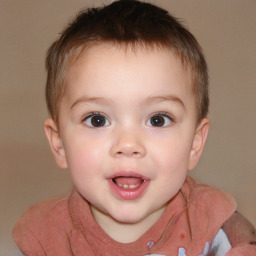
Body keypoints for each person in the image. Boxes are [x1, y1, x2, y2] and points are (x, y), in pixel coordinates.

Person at [12, 1, 256, 255]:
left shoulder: (216, 225)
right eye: (97, 120)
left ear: (195, 143)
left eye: (158, 119)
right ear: (59, 143)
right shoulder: (44, 237)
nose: (128, 144)